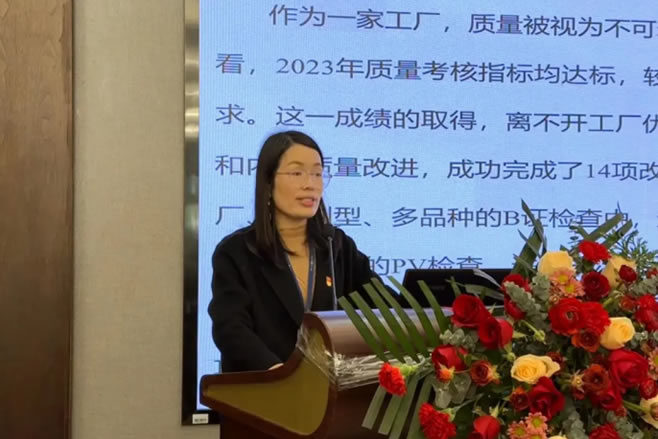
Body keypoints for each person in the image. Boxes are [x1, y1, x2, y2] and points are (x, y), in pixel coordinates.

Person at [208, 130, 389, 372]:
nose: (310, 184)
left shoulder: (336, 245)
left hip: (329, 388)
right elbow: (230, 328)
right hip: (263, 387)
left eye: (317, 173)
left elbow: (384, 306)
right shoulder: (237, 252)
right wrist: (277, 373)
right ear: (268, 182)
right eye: (296, 173)